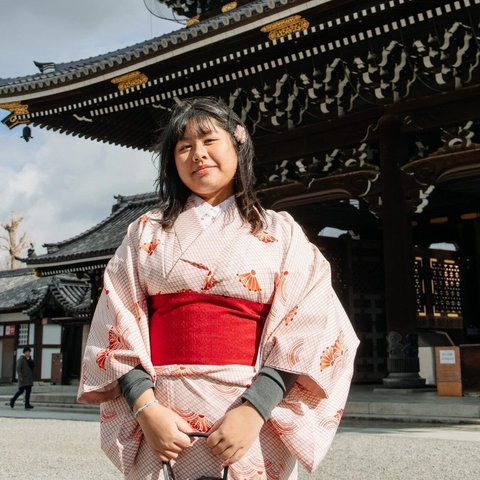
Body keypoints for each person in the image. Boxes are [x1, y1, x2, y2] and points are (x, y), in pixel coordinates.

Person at [78, 96, 359, 479]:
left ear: (237, 145)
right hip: (163, 414)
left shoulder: (281, 232)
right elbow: (115, 324)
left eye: (210, 141)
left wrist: (254, 409)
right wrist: (147, 411)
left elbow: (311, 326)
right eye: (184, 147)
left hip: (251, 415)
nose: (199, 155)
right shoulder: (145, 232)